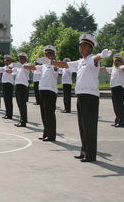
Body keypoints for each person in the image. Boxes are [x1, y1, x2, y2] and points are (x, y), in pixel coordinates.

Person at [46, 34, 112, 162]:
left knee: (89, 126)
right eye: (80, 46)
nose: (81, 48)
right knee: (82, 125)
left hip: (90, 96)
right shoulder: (80, 62)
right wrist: (50, 62)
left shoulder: (92, 59)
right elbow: (65, 64)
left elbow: (96, 58)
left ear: (91, 48)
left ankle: (90, 154)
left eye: (84, 46)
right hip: (81, 95)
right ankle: (84, 151)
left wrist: (101, 55)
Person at [25, 45, 60, 141]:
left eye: (48, 54)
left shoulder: (54, 65)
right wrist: (23, 66)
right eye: (46, 54)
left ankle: (51, 135)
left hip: (50, 91)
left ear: (52, 56)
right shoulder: (43, 66)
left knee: (49, 113)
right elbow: (34, 68)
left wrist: (52, 63)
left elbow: (57, 68)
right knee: (43, 113)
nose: (46, 56)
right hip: (43, 90)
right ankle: (46, 132)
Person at [101, 54, 124, 128]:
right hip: (113, 89)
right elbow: (104, 69)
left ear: (121, 62)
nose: (116, 62)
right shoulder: (113, 69)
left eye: (118, 61)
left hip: (119, 89)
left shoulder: (120, 68)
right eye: (115, 61)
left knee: (119, 106)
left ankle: (121, 122)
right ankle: (117, 120)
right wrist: (94, 68)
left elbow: (123, 67)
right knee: (115, 106)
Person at [11, 52, 31, 127]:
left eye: (22, 59)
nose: (20, 60)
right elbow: (13, 71)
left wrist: (20, 66)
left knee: (22, 104)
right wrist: (11, 66)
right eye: (20, 59)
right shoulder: (18, 67)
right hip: (18, 85)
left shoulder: (27, 65)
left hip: (23, 85)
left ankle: (23, 121)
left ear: (25, 59)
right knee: (19, 103)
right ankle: (22, 119)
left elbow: (28, 68)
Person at [0, 54, 15, 119]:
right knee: (6, 99)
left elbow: (11, 71)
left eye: (7, 60)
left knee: (9, 99)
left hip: (9, 84)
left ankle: (9, 114)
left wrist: (6, 70)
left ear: (10, 61)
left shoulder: (13, 67)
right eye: (5, 61)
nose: (6, 62)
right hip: (4, 84)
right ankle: (7, 113)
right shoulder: (4, 67)